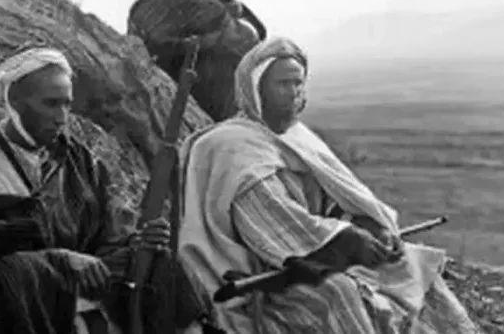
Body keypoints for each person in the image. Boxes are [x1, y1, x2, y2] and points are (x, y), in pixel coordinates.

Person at [177, 37, 481, 333]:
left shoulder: (295, 136)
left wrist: (363, 224)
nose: (294, 93)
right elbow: (273, 226)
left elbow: (332, 199)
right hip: (261, 274)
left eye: (299, 83)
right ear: (255, 88)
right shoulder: (232, 146)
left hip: (314, 253)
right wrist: (348, 239)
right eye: (283, 84)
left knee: (412, 263)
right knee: (339, 293)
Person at [0, 46, 206, 334]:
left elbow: (107, 235)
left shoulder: (77, 158)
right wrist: (61, 261)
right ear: (15, 101)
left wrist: (138, 242)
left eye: (66, 105)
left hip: (85, 279)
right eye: (51, 104)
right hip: (26, 291)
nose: (61, 117)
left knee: (162, 264)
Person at [128, 0, 265, 122]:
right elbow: (248, 42)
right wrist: (227, 8)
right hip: (186, 102)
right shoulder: (198, 3)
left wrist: (228, 6)